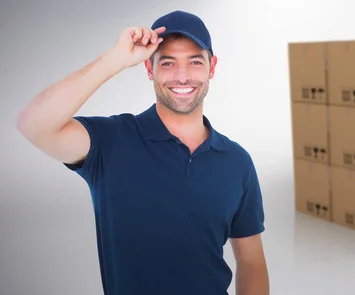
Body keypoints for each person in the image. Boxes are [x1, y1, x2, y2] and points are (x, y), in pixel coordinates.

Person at [16, 10, 269, 295]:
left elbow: (251, 262)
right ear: (150, 70)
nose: (182, 76)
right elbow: (33, 124)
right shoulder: (111, 142)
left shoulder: (236, 161)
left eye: (195, 62)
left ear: (212, 68)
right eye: (168, 62)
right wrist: (115, 59)